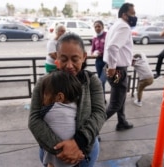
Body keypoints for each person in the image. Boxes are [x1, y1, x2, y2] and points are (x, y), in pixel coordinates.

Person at [28, 32, 107, 167]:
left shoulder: (92, 81)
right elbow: (34, 120)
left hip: (84, 153)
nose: (69, 65)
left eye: (75, 59)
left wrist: (78, 143)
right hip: (52, 153)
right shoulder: (44, 83)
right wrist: (63, 150)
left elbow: (99, 113)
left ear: (84, 57)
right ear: (56, 57)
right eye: (64, 59)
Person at [103, 3, 136, 131]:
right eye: (132, 13)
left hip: (117, 69)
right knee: (115, 103)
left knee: (120, 98)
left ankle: (122, 122)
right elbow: (112, 47)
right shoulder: (124, 27)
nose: (134, 16)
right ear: (124, 15)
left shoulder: (116, 25)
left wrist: (128, 59)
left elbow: (119, 48)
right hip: (117, 71)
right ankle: (91, 129)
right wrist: (112, 67)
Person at [39, 70, 82, 167]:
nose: (42, 99)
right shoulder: (76, 108)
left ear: (59, 97)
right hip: (74, 160)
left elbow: (34, 119)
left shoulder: (49, 110)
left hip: (57, 161)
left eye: (45, 94)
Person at [91, 20, 107, 101]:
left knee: (101, 81)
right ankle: (102, 99)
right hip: (98, 62)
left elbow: (110, 49)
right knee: (101, 83)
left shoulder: (107, 36)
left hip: (107, 62)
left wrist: (102, 53)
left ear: (102, 27)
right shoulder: (94, 38)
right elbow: (92, 50)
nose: (97, 28)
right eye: (95, 27)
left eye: (99, 26)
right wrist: (94, 53)